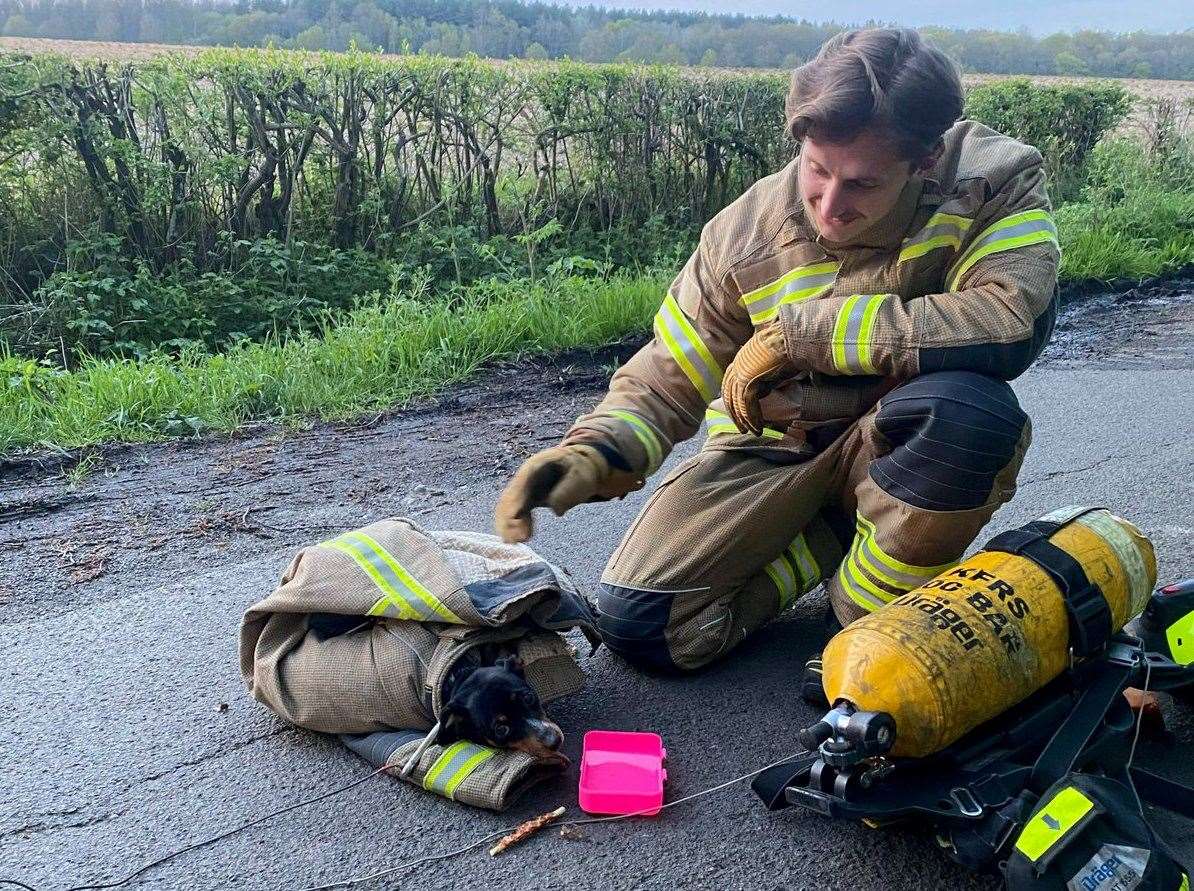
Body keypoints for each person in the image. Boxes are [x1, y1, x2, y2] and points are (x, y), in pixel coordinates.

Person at [493, 28, 1060, 680]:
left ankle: (869, 628)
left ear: (925, 160)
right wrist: (592, 451)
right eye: (816, 170)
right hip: (770, 448)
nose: (829, 204)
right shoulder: (742, 232)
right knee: (640, 623)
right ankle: (829, 539)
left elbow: (1008, 321)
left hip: (898, 438)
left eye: (862, 184)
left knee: (971, 413)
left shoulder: (995, 180)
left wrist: (800, 335)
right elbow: (671, 369)